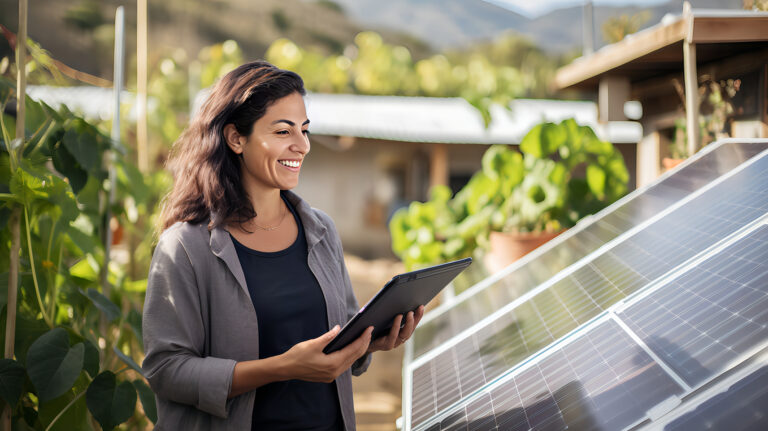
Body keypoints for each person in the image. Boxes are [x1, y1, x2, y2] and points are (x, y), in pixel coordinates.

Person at [141, 60, 425, 430]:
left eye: (304, 130)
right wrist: (282, 368)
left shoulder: (321, 230)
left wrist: (372, 339)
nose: (302, 146)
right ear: (236, 138)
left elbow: (339, 334)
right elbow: (166, 370)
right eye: (282, 131)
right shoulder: (185, 246)